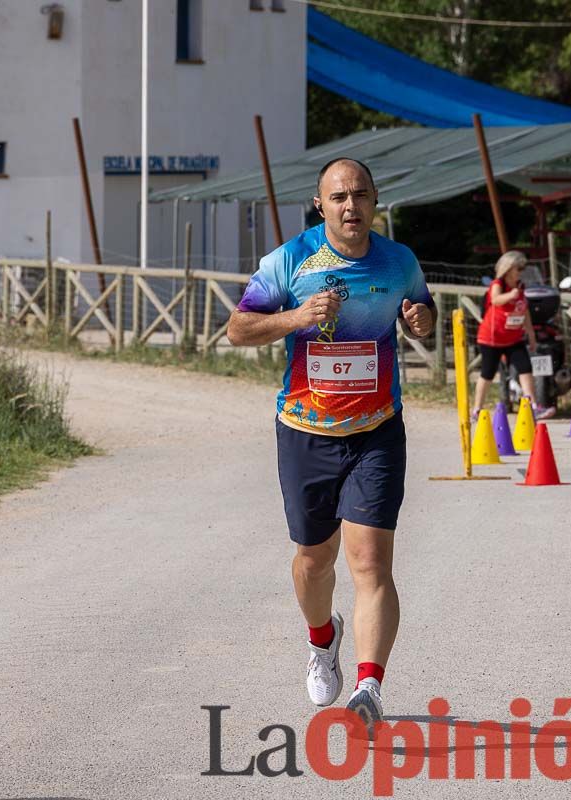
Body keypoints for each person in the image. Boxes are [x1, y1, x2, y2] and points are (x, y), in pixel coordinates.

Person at [226, 158, 435, 737]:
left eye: (361, 195)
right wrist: (294, 316)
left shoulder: (399, 261)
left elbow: (422, 308)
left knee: (370, 562)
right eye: (339, 197)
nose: (351, 206)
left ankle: (370, 686)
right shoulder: (290, 260)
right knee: (314, 563)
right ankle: (323, 639)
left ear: (375, 201)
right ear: (321, 205)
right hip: (306, 432)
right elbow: (237, 329)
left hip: (376, 429)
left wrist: (420, 318)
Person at [471, 251, 555, 421]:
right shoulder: (498, 283)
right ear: (508, 269)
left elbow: (524, 310)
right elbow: (495, 300)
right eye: (519, 268)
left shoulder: (521, 286)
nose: (521, 272)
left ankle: (532, 406)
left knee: (525, 368)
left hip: (513, 337)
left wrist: (531, 334)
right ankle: (477, 410)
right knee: (487, 373)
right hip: (492, 337)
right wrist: (510, 295)